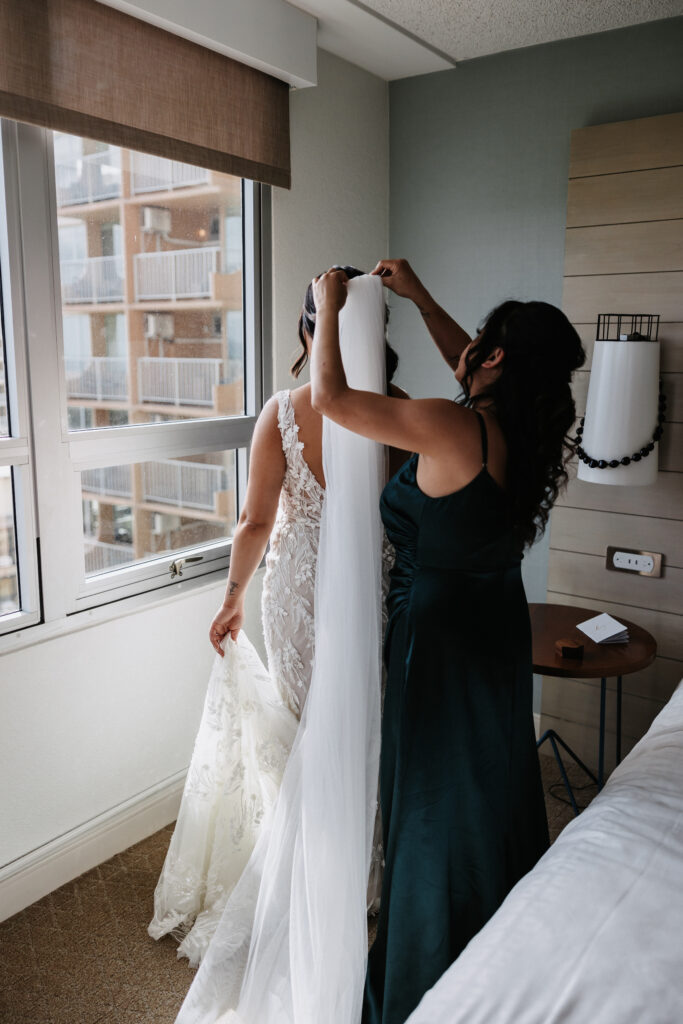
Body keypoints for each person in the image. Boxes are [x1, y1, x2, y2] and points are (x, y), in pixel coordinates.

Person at [309, 258, 586, 1024]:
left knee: (430, 801)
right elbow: (473, 363)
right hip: (494, 622)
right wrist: (421, 297)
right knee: (485, 782)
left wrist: (323, 307)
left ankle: (428, 969)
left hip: (438, 639)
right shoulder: (524, 433)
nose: (463, 351)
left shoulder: (448, 422)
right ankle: (495, 935)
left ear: (493, 357)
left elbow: (329, 398)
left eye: (480, 344)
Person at [148, 267, 407, 967]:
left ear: (306, 330)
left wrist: (231, 595)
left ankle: (311, 867)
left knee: (303, 731)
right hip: (378, 594)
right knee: (365, 725)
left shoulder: (284, 412)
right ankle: (362, 874)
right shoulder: (401, 409)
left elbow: (255, 520)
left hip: (296, 596)